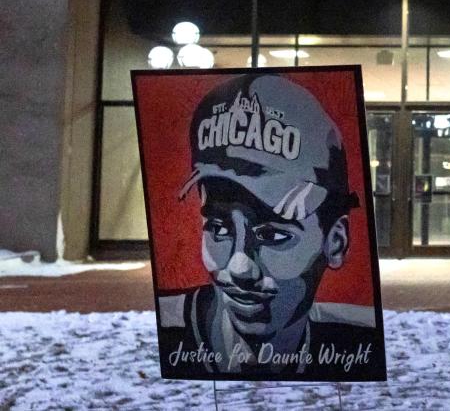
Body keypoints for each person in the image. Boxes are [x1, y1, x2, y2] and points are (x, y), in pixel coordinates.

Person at [156, 74, 382, 379]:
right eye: (220, 229)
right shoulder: (167, 330)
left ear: (336, 241)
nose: (239, 268)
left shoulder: (357, 341)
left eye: (273, 235)